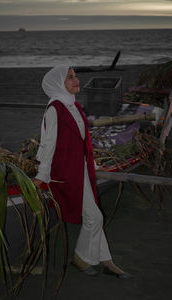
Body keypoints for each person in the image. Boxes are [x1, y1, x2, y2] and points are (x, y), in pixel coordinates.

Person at [32, 65, 132, 278]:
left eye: (75, 76)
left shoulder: (74, 106)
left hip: (81, 168)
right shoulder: (55, 109)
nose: (76, 80)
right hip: (65, 172)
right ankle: (80, 258)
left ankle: (106, 261)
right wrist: (41, 176)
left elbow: (82, 141)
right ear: (59, 83)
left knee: (93, 214)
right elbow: (48, 145)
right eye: (70, 78)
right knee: (94, 217)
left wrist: (92, 165)